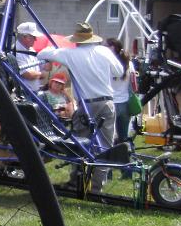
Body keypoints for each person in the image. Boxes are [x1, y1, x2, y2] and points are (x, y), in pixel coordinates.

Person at [39, 22, 123, 193]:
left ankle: (76, 181)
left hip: (87, 105)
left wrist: (58, 52)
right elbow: (118, 72)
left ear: (76, 40)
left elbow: (42, 52)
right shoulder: (104, 51)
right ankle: (97, 187)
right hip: (107, 102)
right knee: (104, 146)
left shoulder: (70, 54)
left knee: (79, 144)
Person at [105, 38, 138, 144]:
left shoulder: (107, 64)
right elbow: (133, 84)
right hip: (125, 102)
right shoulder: (129, 63)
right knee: (123, 136)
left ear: (112, 48)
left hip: (110, 103)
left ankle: (111, 156)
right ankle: (126, 155)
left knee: (108, 136)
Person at [15, 21, 47, 92]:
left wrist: (48, 60)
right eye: (33, 37)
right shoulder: (16, 52)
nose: (35, 39)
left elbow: (44, 67)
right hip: (25, 94)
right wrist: (41, 74)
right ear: (26, 37)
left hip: (33, 92)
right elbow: (28, 75)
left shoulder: (31, 50)